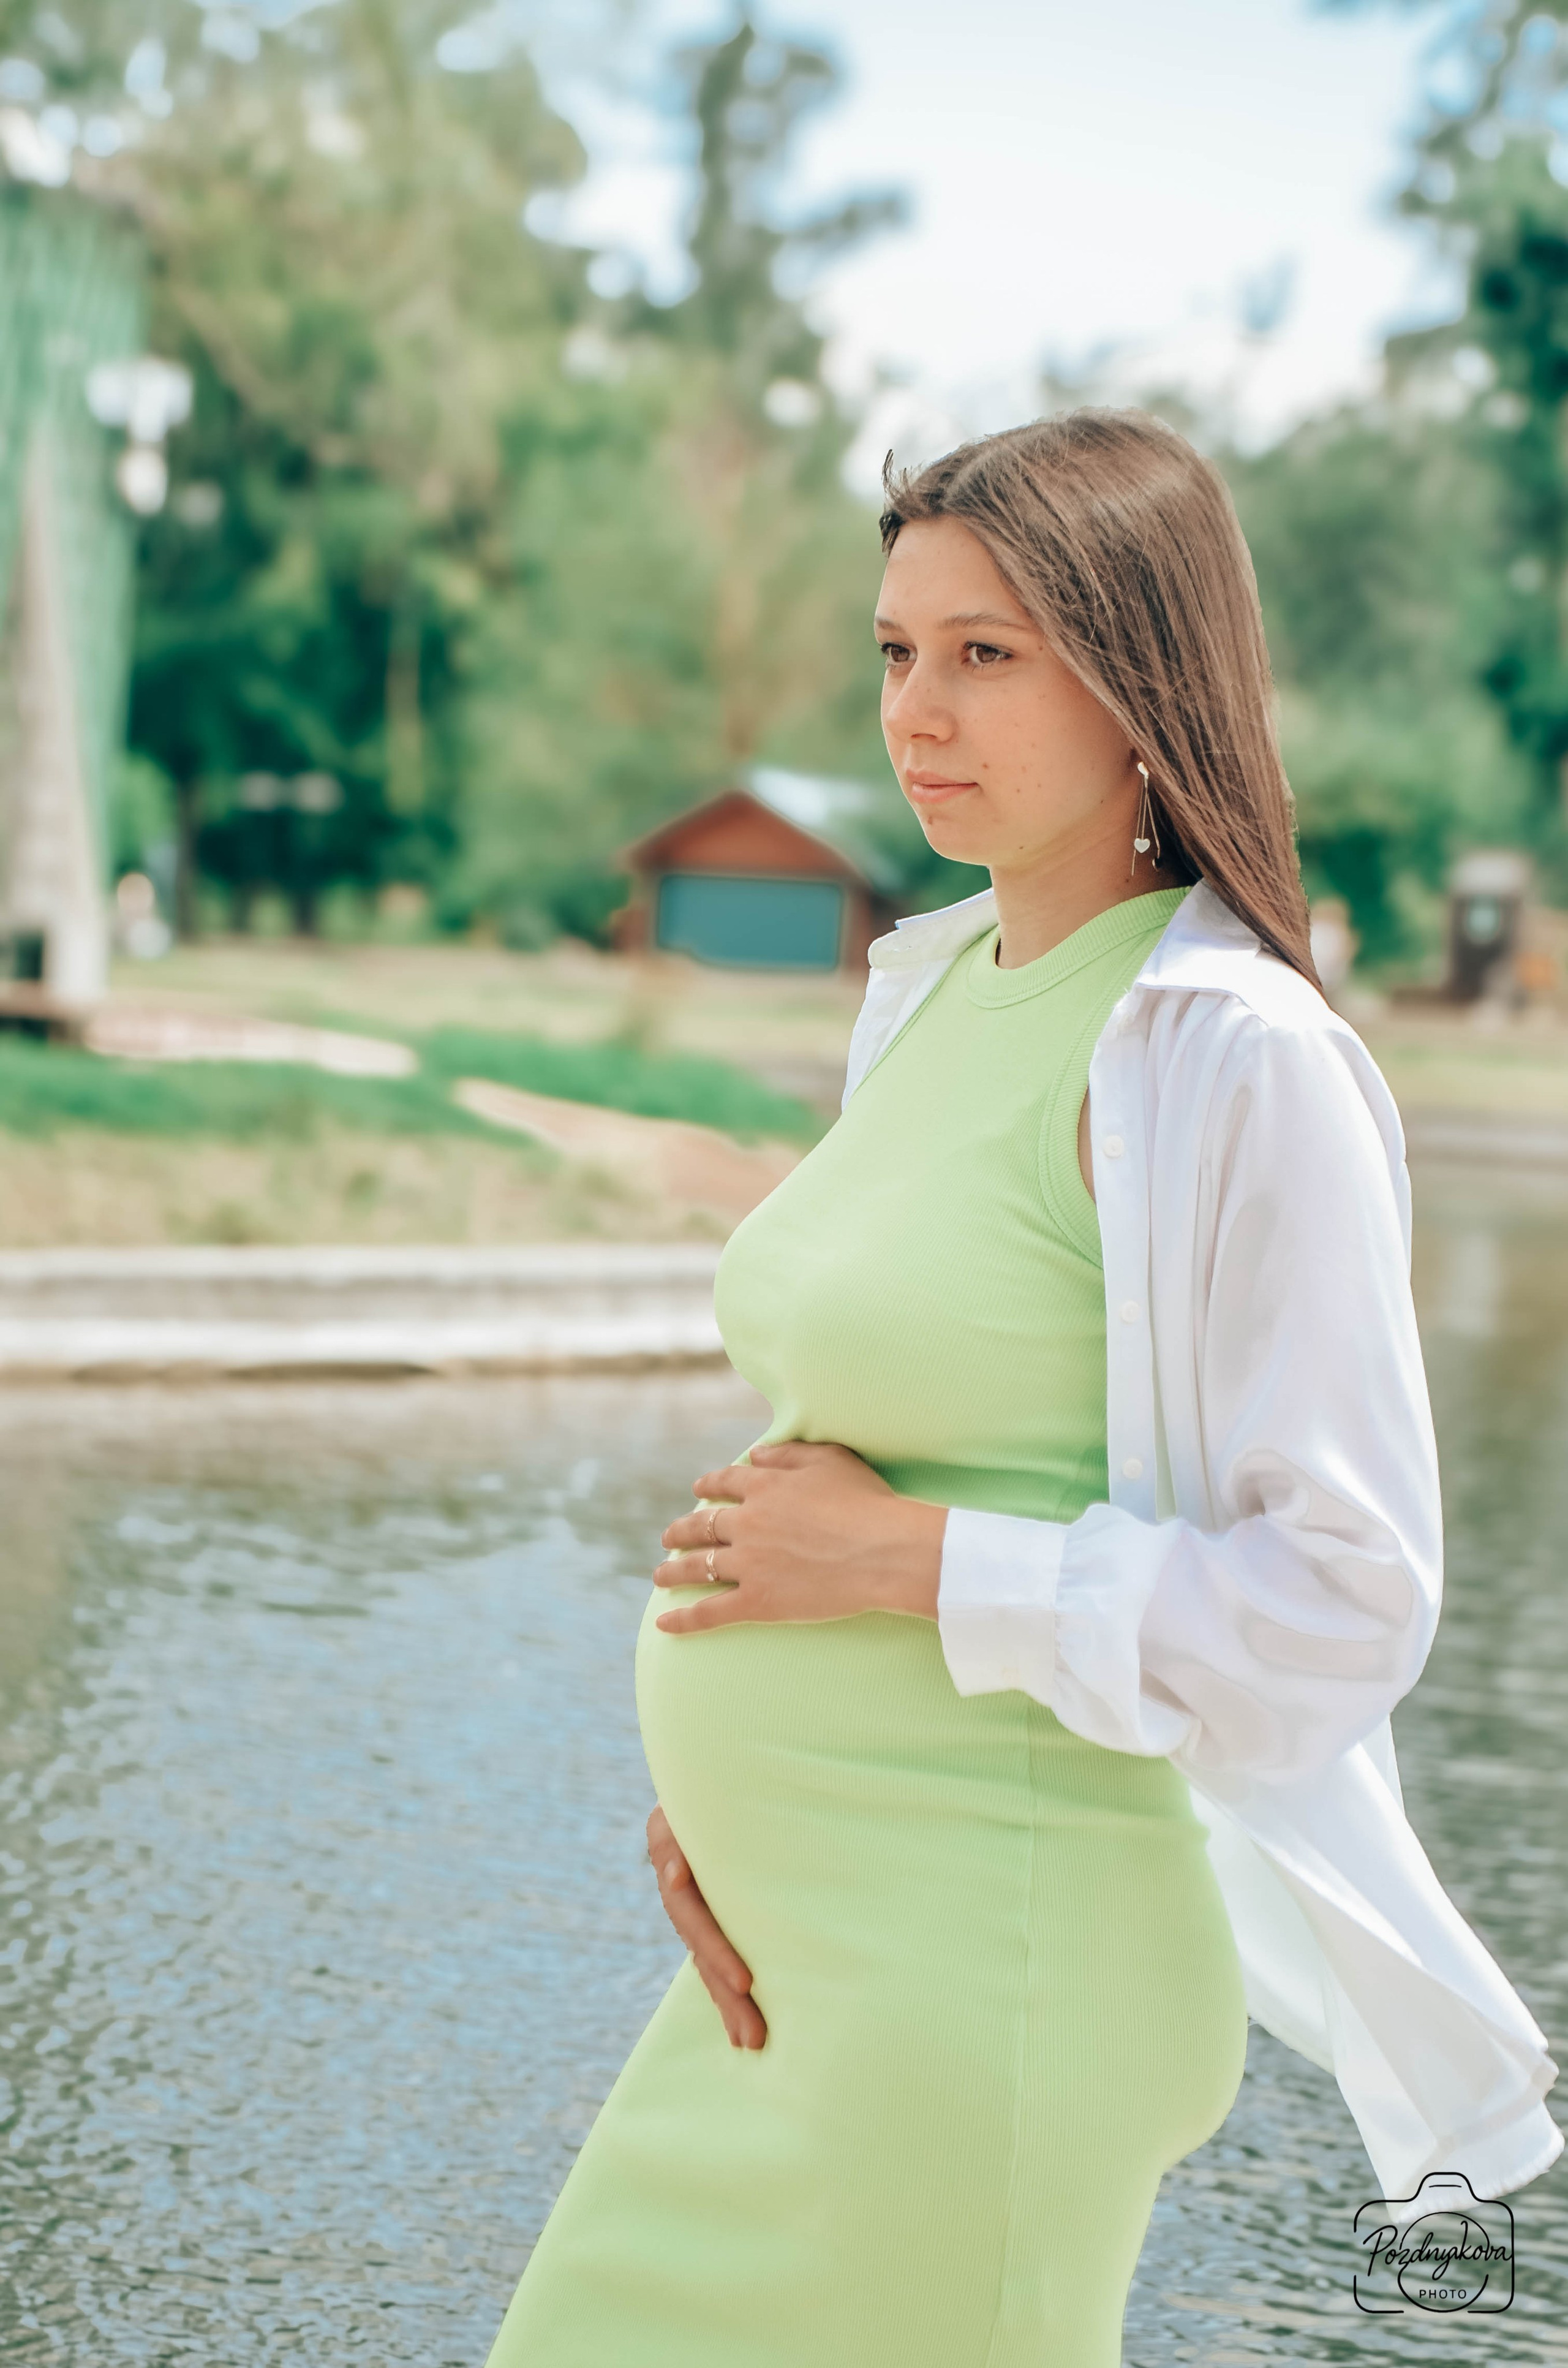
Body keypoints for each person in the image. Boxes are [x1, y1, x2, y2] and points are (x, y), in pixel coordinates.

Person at [481, 412, 1559, 2368]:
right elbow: (879, 1438)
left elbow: (1345, 1601)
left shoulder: (1238, 1061)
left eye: (990, 652)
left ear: (1143, 673)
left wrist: (912, 1565)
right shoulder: (931, 986)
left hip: (995, 1961)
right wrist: (729, 1799)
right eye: (897, 650)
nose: (921, 707)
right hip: (789, 1951)